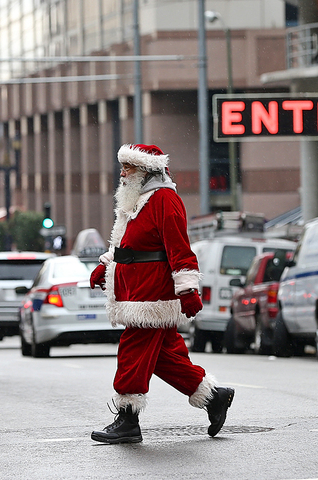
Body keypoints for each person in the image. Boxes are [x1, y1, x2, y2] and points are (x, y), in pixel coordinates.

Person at [89, 143, 235, 444]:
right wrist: (108, 265)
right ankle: (213, 397)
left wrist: (188, 289)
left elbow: (178, 246)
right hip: (137, 290)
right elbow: (128, 244)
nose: (122, 173)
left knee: (133, 349)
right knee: (162, 355)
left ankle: (128, 419)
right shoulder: (136, 201)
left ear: (145, 170)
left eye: (127, 168)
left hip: (152, 294)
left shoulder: (164, 199)